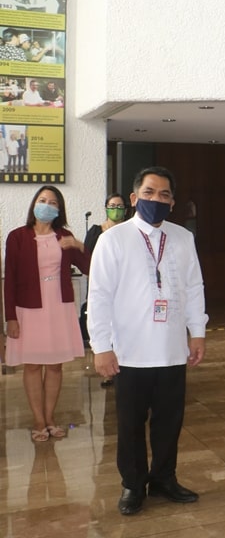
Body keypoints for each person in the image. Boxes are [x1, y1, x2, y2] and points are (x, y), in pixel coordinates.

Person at [87, 166, 208, 516]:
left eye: (165, 195)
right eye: (150, 192)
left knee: (170, 420)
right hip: (129, 351)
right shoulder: (114, 239)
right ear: (134, 197)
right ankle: (133, 484)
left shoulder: (183, 238)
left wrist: (197, 332)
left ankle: (164, 478)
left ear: (172, 203)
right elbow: (99, 296)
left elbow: (194, 287)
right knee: (130, 423)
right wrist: (102, 346)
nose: (157, 199)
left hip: (171, 349)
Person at [3, 185, 89, 442]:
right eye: (42, 200)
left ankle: (50, 418)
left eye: (53, 202)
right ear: (34, 204)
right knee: (32, 365)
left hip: (59, 308)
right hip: (29, 309)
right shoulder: (17, 237)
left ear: (59, 209)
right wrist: (10, 317)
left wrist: (77, 244)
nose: (47, 205)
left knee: (54, 366)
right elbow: (10, 280)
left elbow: (89, 267)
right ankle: (38, 421)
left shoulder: (64, 236)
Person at [81, 193, 127, 383]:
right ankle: (109, 370)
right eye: (112, 205)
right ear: (106, 207)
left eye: (119, 206)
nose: (116, 209)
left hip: (125, 290)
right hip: (103, 287)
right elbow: (87, 260)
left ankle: (123, 366)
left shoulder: (129, 231)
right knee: (105, 327)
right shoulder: (95, 231)